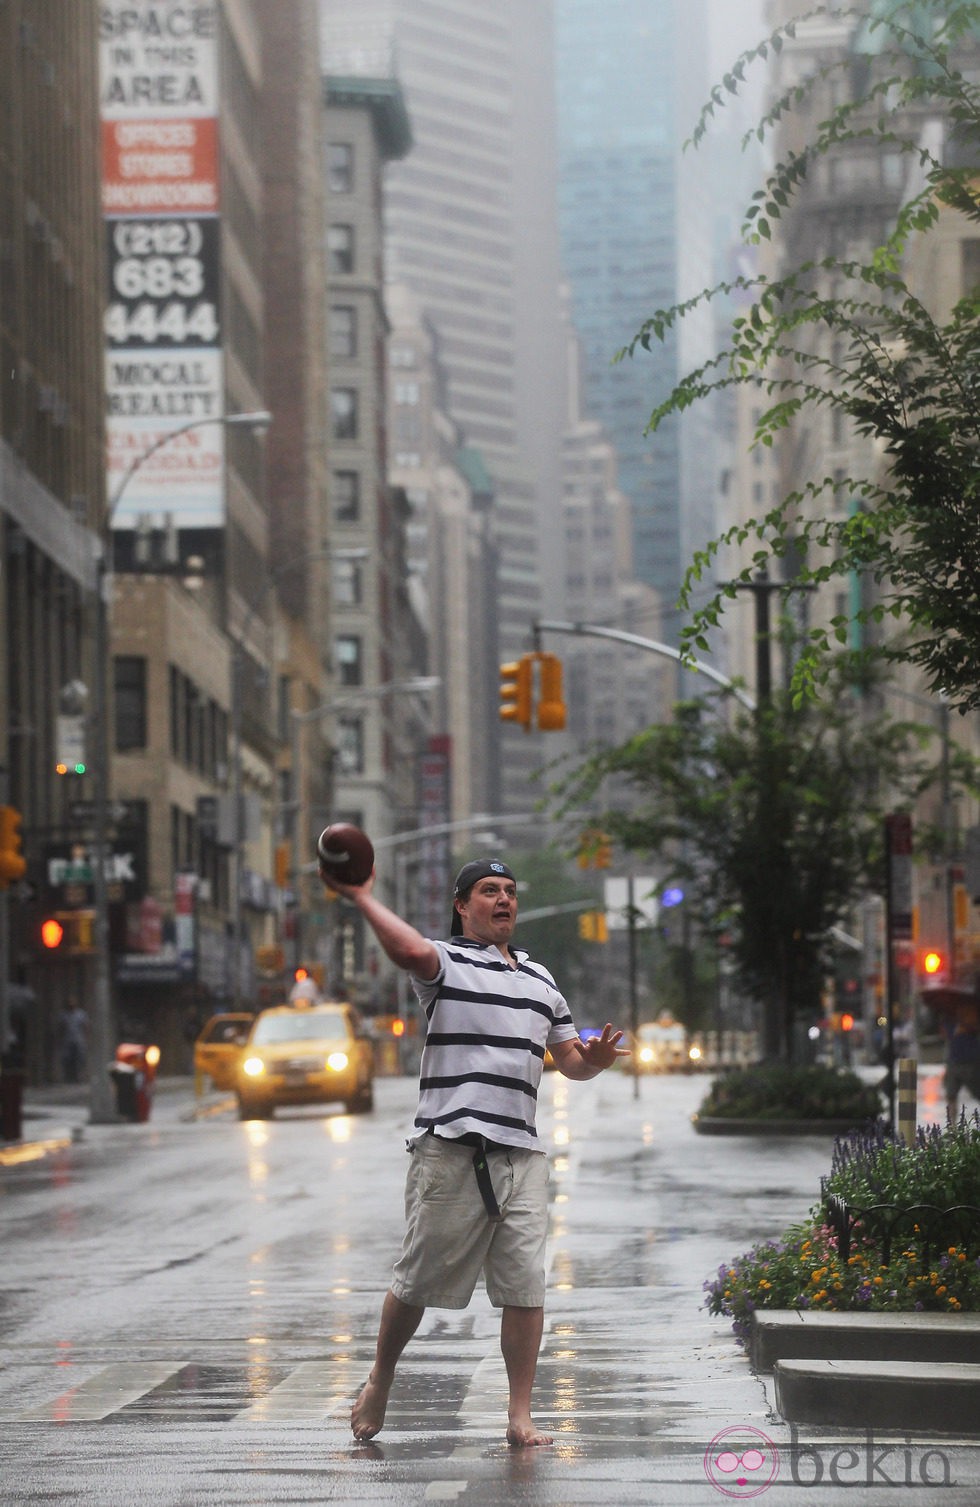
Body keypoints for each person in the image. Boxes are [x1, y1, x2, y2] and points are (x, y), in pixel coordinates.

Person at [318, 855, 628, 1448]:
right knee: (415, 1282)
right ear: (463, 906)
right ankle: (381, 1377)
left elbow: (569, 1062)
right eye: (489, 891)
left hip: (522, 1156)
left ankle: (519, 1415)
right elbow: (408, 953)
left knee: (525, 1288)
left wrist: (596, 1060)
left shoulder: (542, 981)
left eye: (510, 891)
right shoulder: (446, 962)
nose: (504, 899)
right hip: (452, 1149)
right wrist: (360, 897)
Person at [942, 996, 980, 1122]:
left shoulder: (973, 1011)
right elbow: (946, 1033)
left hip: (970, 1062)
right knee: (951, 1095)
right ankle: (952, 1126)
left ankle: (952, 1125)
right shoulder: (949, 1017)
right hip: (955, 1061)